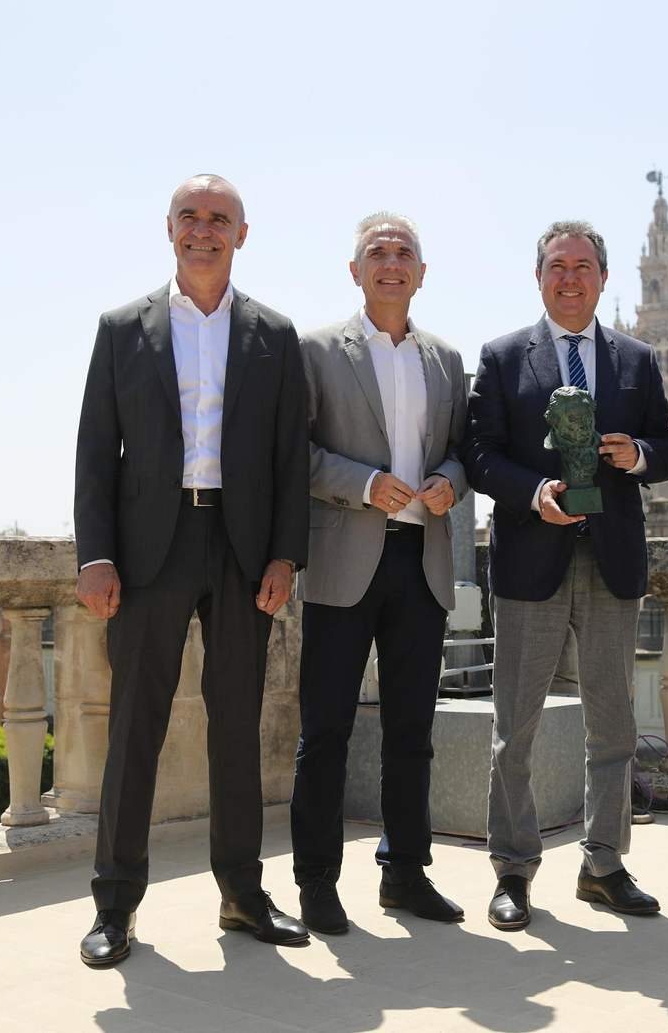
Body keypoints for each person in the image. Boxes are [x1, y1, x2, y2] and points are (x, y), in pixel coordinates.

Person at [73, 174, 310, 966]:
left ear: (242, 234)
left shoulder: (275, 335)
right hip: (149, 548)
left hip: (242, 550)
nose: (202, 230)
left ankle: (243, 894)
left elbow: (288, 458)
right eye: (189, 217)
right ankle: (114, 907)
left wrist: (285, 553)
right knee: (135, 725)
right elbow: (94, 452)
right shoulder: (120, 328)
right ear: (168, 229)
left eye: (219, 219)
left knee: (237, 727)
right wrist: (95, 553)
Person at [463, 220, 668, 930]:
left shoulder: (638, 360)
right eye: (557, 266)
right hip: (532, 558)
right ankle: (513, 870)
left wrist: (637, 454)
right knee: (514, 727)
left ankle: (604, 864)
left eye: (583, 266)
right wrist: (535, 494)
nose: (569, 278)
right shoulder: (501, 358)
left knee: (613, 725)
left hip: (612, 559)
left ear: (604, 278)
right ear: (539, 277)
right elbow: (480, 455)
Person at [291, 212, 468, 933]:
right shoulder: (314, 351)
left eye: (404, 253)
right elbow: (291, 454)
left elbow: (462, 450)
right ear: (356, 270)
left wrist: (451, 481)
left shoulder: (447, 361)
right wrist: (363, 485)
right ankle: (316, 885)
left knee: (412, 733)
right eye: (377, 252)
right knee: (325, 731)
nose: (391, 263)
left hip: (420, 560)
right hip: (343, 560)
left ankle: (405, 874)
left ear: (421, 274)